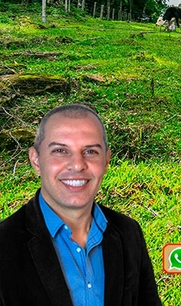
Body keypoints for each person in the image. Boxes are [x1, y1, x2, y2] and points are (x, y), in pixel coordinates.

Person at [0, 103, 162, 306]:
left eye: (91, 151)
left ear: (106, 160)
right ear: (36, 160)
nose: (77, 165)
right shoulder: (4, 243)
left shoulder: (129, 232)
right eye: (60, 150)